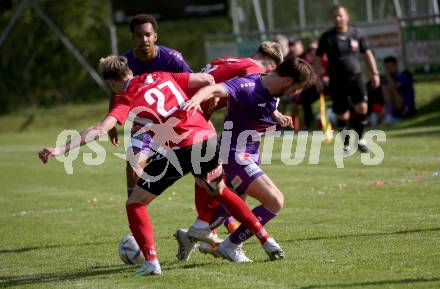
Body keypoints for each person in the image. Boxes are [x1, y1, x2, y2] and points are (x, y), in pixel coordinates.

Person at [38, 55, 282, 276]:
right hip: (206, 138)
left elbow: (100, 129)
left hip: (179, 149)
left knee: (135, 202)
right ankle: (266, 240)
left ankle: (151, 262)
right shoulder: (162, 75)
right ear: (130, 71)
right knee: (220, 191)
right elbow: (207, 78)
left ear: (112, 83)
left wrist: (60, 149)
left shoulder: (125, 97)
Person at [181, 55, 315, 262]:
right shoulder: (247, 84)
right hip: (234, 154)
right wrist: (197, 99)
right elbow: (215, 88)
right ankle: (231, 245)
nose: (295, 93)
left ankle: (192, 234)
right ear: (288, 81)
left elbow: (266, 104)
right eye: (296, 88)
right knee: (275, 201)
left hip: (251, 153)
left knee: (231, 207)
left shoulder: (273, 90)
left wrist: (276, 116)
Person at [175, 41, 286, 259]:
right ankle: (208, 234)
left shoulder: (228, 60)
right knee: (213, 184)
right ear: (271, 67)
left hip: (184, 115)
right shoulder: (253, 69)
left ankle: (200, 234)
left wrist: (275, 115)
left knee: (220, 185)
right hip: (189, 119)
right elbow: (244, 91)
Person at [107, 14, 193, 200]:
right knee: (133, 164)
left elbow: (194, 84)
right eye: (139, 35)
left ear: (155, 36)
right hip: (144, 123)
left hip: (177, 121)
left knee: (203, 166)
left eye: (148, 35)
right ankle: (134, 218)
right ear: (133, 38)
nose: (144, 39)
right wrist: (112, 122)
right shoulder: (124, 63)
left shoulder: (172, 59)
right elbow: (116, 91)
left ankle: (218, 219)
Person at [316, 4, 380, 153]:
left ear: (347, 16)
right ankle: (345, 144)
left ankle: (360, 139)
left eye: (340, 15)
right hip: (336, 80)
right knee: (342, 113)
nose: (338, 18)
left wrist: (374, 73)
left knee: (362, 107)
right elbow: (318, 58)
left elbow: (367, 54)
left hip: (356, 77)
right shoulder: (327, 37)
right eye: (335, 16)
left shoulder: (357, 34)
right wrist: (317, 78)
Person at [382, 56, 416, 123]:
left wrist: (387, 75)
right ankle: (387, 115)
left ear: (396, 65)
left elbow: (394, 87)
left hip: (405, 107)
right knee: (384, 87)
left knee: (387, 88)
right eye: (387, 68)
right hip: (394, 107)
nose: (389, 69)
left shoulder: (404, 75)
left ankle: (389, 115)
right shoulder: (386, 81)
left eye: (391, 67)